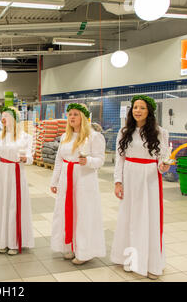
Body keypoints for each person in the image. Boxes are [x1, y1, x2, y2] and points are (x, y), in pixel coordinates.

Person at [111, 95, 170, 280]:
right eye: (135, 107)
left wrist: (163, 166)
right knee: (129, 219)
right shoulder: (124, 131)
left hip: (150, 179)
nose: (137, 110)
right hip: (129, 177)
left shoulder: (160, 132)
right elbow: (119, 159)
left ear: (149, 111)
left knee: (149, 219)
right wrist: (118, 182)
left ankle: (152, 263)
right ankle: (130, 261)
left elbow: (162, 158)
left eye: (142, 108)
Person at [49, 103, 106, 265]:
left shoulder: (94, 137)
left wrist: (87, 161)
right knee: (66, 211)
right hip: (67, 179)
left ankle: (84, 251)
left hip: (84, 180)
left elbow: (100, 160)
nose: (72, 117)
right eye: (70, 114)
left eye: (75, 114)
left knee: (83, 213)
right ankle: (69, 245)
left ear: (83, 117)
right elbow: (59, 160)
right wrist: (55, 180)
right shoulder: (64, 137)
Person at [0, 106, 34, 255]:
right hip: (3, 174)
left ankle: (14, 242)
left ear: (14, 119)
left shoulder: (25, 137)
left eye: (6, 116)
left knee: (14, 205)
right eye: (2, 116)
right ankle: (3, 240)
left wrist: (25, 158)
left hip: (16, 174)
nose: (3, 119)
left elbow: (30, 157)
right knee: (3, 205)